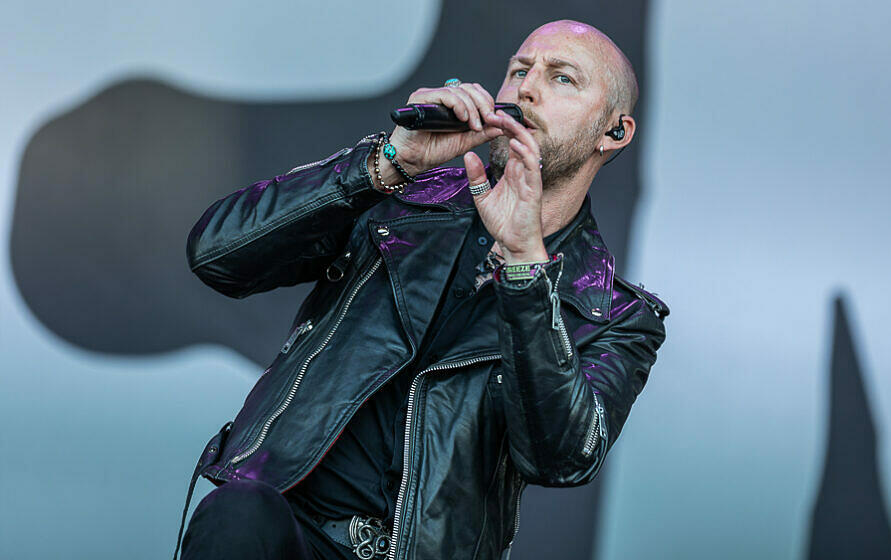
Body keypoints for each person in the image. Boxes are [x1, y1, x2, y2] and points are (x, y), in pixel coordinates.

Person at [175, 18, 669, 560]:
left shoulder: (618, 316)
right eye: (519, 71)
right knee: (238, 512)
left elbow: (562, 456)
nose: (526, 88)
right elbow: (218, 257)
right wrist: (385, 164)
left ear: (614, 132)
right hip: (286, 526)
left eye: (562, 78)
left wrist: (525, 266)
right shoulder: (398, 202)